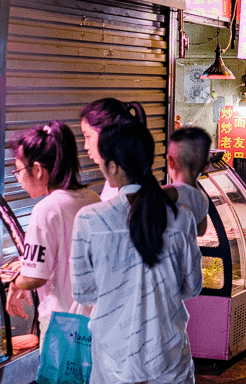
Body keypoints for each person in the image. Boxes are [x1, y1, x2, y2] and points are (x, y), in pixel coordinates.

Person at [70, 120, 202, 384]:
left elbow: (84, 292)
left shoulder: (90, 220)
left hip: (113, 362)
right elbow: (192, 287)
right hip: (169, 358)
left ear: (113, 166)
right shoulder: (181, 218)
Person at [6, 121, 100, 338]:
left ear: (37, 169)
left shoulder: (46, 209)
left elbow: (34, 276)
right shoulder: (92, 198)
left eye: (18, 170)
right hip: (91, 319)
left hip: (61, 323)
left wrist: (15, 283)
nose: (18, 179)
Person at [80, 98, 147, 201]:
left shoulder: (123, 190)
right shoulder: (112, 183)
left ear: (106, 134)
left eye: (88, 136)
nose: (86, 146)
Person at [164, 126, 212, 236]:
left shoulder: (171, 192)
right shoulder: (202, 198)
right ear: (206, 167)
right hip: (187, 251)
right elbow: (201, 231)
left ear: (170, 161)